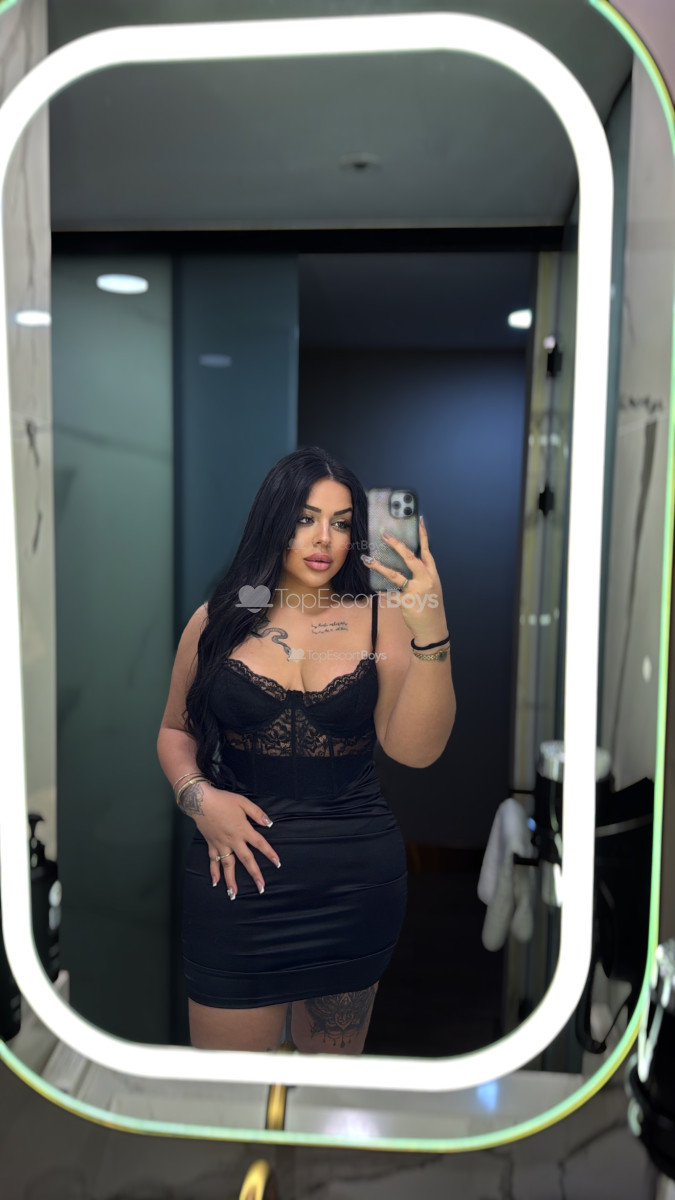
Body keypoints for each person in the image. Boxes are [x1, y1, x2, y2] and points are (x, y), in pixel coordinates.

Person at [156, 446, 456, 1054]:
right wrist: (198, 798)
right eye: (305, 518)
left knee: (325, 1093)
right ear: (274, 520)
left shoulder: (381, 619)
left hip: (352, 885)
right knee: (230, 1094)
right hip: (234, 878)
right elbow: (174, 732)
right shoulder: (219, 619)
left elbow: (415, 751)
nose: (324, 539)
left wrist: (431, 629)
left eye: (341, 523)